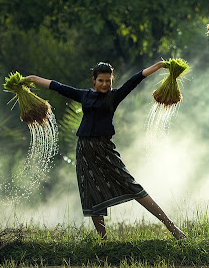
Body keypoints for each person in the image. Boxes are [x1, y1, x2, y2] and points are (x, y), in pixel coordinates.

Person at [24, 62, 185, 240]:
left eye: (108, 81)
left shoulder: (114, 96)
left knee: (131, 184)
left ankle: (173, 228)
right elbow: (58, 87)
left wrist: (159, 66)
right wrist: (32, 79)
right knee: (91, 191)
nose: (105, 84)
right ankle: (103, 240)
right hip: (84, 149)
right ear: (94, 80)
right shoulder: (84, 95)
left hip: (104, 148)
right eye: (101, 80)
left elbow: (136, 79)